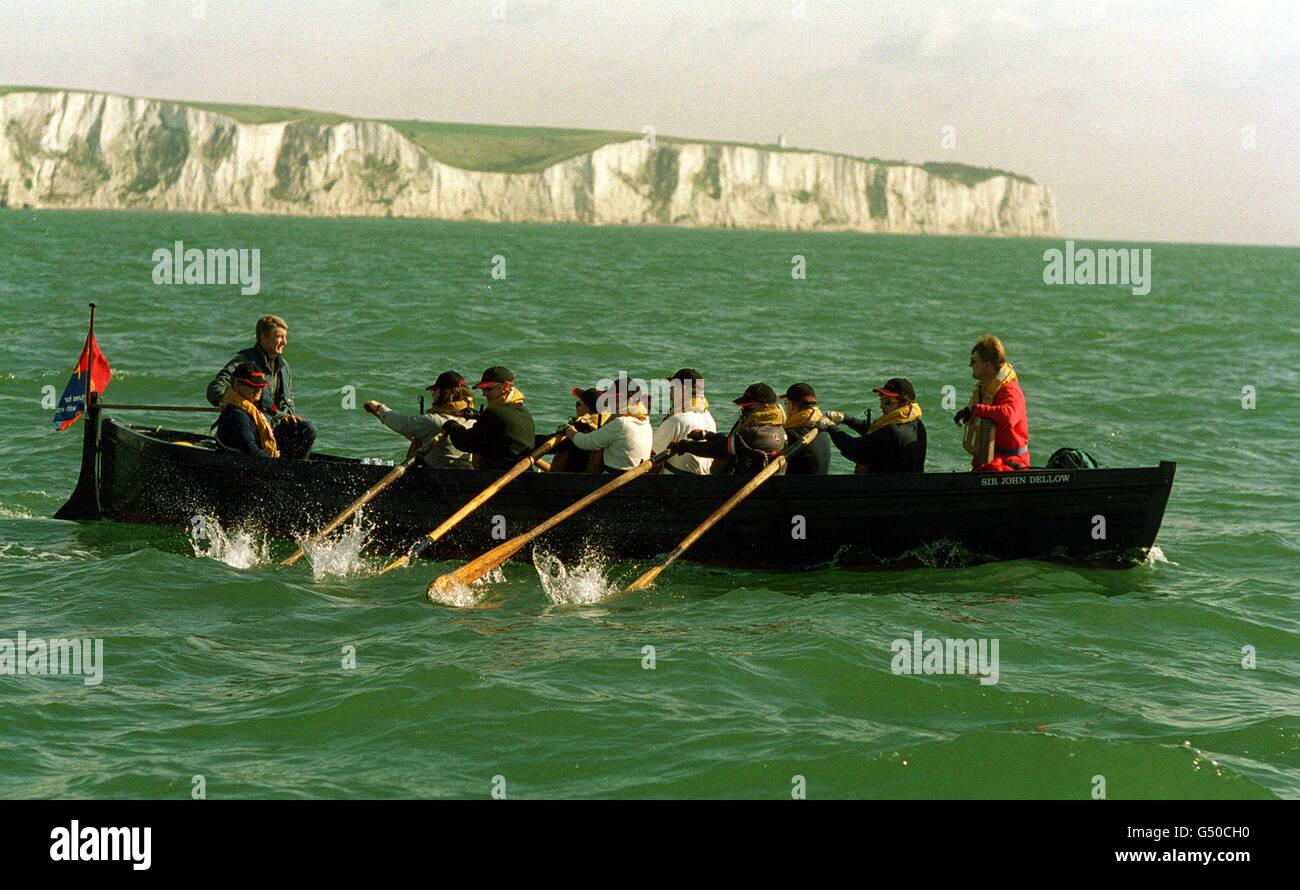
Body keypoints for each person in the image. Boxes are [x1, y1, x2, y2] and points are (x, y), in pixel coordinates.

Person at [207, 314, 315, 459]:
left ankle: (293, 472)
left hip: (274, 427)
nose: (285, 342)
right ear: (264, 338)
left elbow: (288, 400)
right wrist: (231, 403)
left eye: (285, 337)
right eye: (280, 337)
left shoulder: (284, 368)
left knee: (307, 429)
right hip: (249, 425)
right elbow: (216, 387)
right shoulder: (244, 363)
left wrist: (287, 416)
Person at [362, 370, 476, 469]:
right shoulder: (474, 422)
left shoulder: (434, 421)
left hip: (435, 479)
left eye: (434, 391)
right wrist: (378, 415)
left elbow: (402, 424)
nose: (432, 395)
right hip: (467, 476)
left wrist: (379, 408)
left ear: (443, 394)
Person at [669, 383, 787, 476]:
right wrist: (707, 435)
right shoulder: (778, 428)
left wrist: (683, 446)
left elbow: (717, 449)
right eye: (742, 408)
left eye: (747, 408)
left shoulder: (755, 433)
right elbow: (734, 443)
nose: (743, 412)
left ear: (765, 407)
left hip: (745, 489)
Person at [953, 334, 1029, 471]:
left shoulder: (1009, 390)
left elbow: (1009, 416)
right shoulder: (984, 388)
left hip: (1010, 465)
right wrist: (969, 411)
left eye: (973, 361)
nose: (970, 365)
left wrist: (977, 409)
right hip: (988, 461)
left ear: (987, 365)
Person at [820, 377, 926, 473]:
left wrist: (830, 427)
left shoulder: (893, 432)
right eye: (881, 399)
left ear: (904, 403)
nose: (882, 405)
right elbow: (877, 435)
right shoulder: (916, 425)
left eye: (887, 401)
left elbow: (854, 449)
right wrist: (845, 419)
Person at [440, 366, 536, 471]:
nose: (484, 393)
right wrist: (478, 416)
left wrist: (453, 426)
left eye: (488, 389)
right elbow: (501, 428)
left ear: (506, 386)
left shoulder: (493, 413)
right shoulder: (524, 412)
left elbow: (466, 442)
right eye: (483, 389)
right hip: (524, 473)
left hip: (497, 476)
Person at [561, 378, 652, 473]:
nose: (611, 403)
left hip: (615, 477)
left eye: (616, 400)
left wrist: (569, 430)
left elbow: (586, 442)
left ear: (631, 401)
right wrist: (591, 425)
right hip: (637, 475)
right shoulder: (645, 420)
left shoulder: (621, 423)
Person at [651, 368, 716, 474]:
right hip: (702, 482)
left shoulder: (677, 420)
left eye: (672, 388)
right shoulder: (709, 418)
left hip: (673, 483)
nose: (670, 394)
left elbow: (651, 454)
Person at [214, 362, 280, 458]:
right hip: (235, 460)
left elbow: (273, 408)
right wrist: (277, 467)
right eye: (253, 385)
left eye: (261, 386)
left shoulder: (253, 408)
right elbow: (251, 450)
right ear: (237, 385)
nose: (258, 389)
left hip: (255, 451)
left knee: (305, 429)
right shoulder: (238, 414)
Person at [548, 387, 610, 473]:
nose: (575, 407)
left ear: (587, 409)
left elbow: (553, 447)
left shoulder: (578, 428)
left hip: (573, 479)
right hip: (602, 475)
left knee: (562, 450)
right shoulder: (609, 425)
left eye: (578, 404)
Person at [781, 382, 831, 475]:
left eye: (785, 403)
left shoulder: (792, 435)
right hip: (820, 487)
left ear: (792, 406)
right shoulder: (821, 431)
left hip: (798, 488)